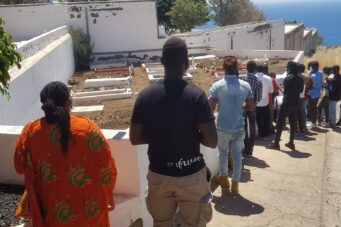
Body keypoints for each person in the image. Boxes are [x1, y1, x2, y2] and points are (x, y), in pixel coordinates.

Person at [130, 37, 217, 227]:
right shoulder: (196, 96)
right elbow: (211, 142)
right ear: (186, 63)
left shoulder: (145, 96)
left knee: (161, 222)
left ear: (162, 62)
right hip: (192, 176)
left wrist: (158, 135)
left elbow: (134, 138)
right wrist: (191, 134)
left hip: (159, 176)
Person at [14, 81, 117, 227]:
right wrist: (105, 194)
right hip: (88, 211)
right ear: (69, 102)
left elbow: (19, 166)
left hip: (51, 211)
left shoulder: (31, 132)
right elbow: (106, 167)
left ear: (44, 104)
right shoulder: (87, 128)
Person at [209, 56, 254, 194]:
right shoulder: (245, 85)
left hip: (223, 126)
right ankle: (235, 184)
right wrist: (240, 107)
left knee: (222, 153)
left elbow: (210, 108)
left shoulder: (217, 85)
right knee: (237, 155)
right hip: (239, 126)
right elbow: (251, 106)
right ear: (237, 68)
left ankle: (224, 178)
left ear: (224, 68)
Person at [267, 61, 304, 150]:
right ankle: (291, 143)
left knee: (279, 123)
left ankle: (276, 144)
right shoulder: (300, 78)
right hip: (296, 103)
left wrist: (281, 90)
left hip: (287, 103)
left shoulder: (288, 78)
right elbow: (300, 90)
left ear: (290, 68)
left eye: (287, 67)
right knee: (292, 123)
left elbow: (286, 92)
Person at [239, 61, 262, 157]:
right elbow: (259, 97)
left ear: (246, 68)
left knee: (243, 128)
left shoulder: (241, 78)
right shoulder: (258, 81)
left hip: (242, 106)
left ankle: (244, 147)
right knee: (252, 126)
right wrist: (253, 104)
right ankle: (250, 150)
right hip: (252, 107)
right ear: (255, 69)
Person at [255, 64, 274, 139]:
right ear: (263, 70)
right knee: (266, 119)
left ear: (256, 70)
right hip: (265, 102)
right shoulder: (268, 78)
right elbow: (271, 91)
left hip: (256, 102)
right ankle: (266, 134)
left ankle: (260, 134)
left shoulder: (254, 77)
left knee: (258, 119)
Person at [306, 61, 323, 128]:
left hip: (314, 93)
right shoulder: (314, 73)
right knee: (311, 108)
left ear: (315, 67)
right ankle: (313, 121)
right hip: (311, 93)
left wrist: (309, 74)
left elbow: (311, 84)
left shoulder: (316, 74)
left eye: (312, 66)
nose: (311, 68)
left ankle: (314, 122)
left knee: (313, 108)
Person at [297, 63, 308, 133]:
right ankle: (304, 126)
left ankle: (299, 127)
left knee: (297, 112)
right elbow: (307, 87)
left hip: (297, 96)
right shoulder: (306, 77)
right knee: (303, 111)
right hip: (304, 96)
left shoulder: (297, 76)